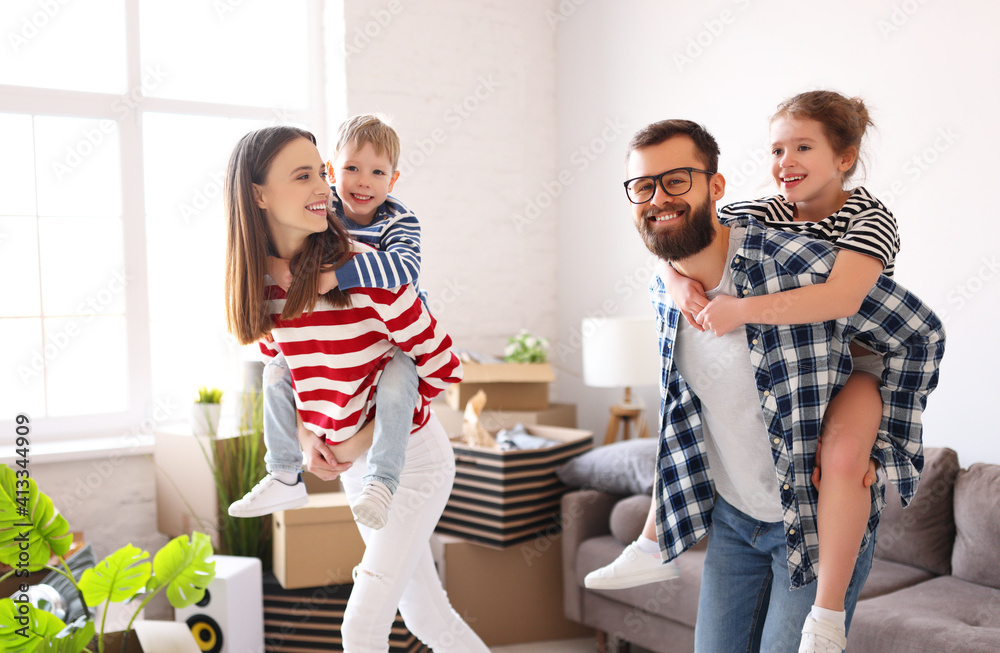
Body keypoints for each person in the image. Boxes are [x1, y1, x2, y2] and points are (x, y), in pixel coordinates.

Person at [589, 119, 943, 653]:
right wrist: (669, 274)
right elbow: (682, 415)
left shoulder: (798, 263)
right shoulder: (665, 289)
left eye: (677, 180)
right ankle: (649, 545)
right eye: (644, 186)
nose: (659, 197)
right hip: (734, 522)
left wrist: (887, 439)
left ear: (716, 186)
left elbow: (920, 332)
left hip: (812, 521)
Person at [223, 125, 489, 652]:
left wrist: (353, 442)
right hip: (354, 472)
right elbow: (283, 369)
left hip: (412, 461)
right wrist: (306, 442)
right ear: (258, 194)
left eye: (320, 172)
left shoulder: (367, 274)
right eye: (306, 176)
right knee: (426, 617)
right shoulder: (267, 286)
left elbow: (443, 367)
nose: (324, 187)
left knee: (360, 627)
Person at [228, 114, 424, 531]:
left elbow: (404, 270)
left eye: (378, 172)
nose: (362, 182)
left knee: (378, 581)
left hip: (397, 443)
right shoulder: (322, 212)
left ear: (394, 179)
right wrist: (306, 440)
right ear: (336, 172)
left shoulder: (394, 222)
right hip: (342, 452)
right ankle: (283, 472)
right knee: (275, 371)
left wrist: (339, 275)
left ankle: (385, 480)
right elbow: (286, 362)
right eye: (350, 169)